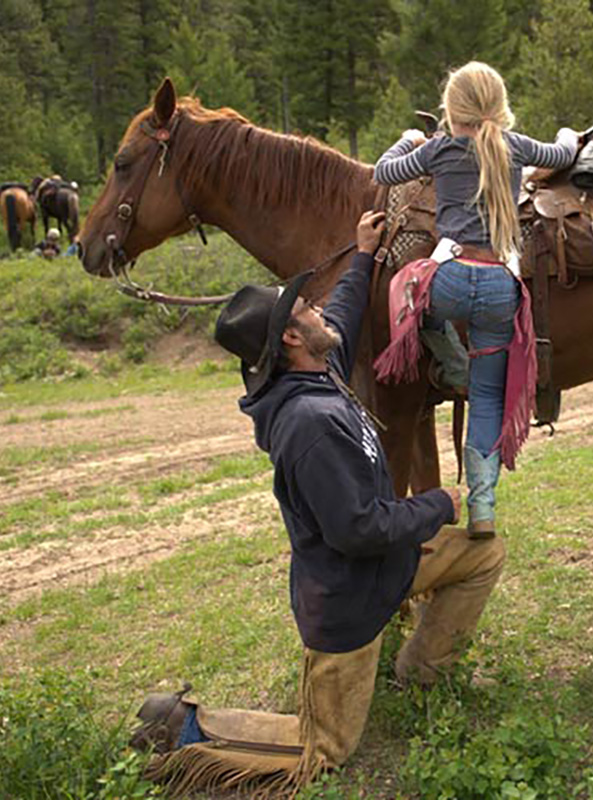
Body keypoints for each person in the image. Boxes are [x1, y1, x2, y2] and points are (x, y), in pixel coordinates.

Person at [210, 209, 506, 784]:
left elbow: (341, 312)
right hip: (349, 606)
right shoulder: (310, 423)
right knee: (323, 754)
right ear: (293, 337)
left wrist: (364, 254)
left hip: (383, 567)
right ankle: (190, 729)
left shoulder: (315, 372)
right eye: (305, 309)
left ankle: (422, 668)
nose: (320, 309)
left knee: (482, 554)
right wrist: (438, 505)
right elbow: (358, 531)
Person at [372, 61, 579, 538]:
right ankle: (482, 510)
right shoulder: (517, 147)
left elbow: (385, 171)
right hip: (499, 289)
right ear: (500, 107)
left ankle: (449, 360)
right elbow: (562, 153)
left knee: (407, 287)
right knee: (487, 400)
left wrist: (409, 138)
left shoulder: (439, 149)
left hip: (446, 282)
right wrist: (569, 135)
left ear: (451, 108)